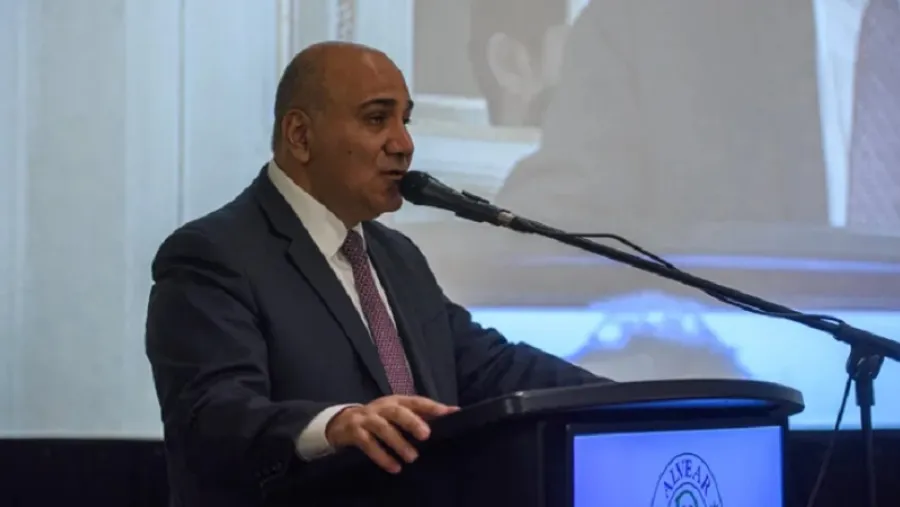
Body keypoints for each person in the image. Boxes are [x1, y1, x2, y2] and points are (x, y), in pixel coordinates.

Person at [144, 41, 609, 507]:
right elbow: (211, 416)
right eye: (376, 119)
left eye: (405, 120)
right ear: (300, 136)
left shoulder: (396, 256)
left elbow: (491, 366)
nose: (403, 144)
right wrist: (333, 425)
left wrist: (625, 400)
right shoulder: (214, 255)